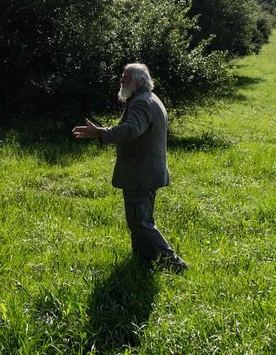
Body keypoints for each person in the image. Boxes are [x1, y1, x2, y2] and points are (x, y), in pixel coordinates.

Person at [72, 63, 189, 272]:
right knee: (141, 219)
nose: (121, 81)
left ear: (138, 81)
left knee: (139, 223)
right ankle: (144, 261)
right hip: (146, 171)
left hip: (140, 173)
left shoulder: (142, 103)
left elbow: (131, 129)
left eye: (125, 78)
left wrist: (101, 132)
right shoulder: (147, 99)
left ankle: (174, 264)